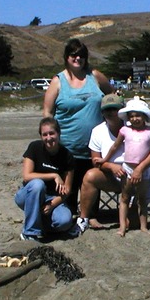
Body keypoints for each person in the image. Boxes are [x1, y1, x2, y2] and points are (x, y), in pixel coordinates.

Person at [42, 39, 114, 214]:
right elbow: (47, 112)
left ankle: (91, 216)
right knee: (69, 188)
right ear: (67, 57)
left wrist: (113, 118)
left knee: (92, 181)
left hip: (95, 147)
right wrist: (50, 138)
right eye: (74, 55)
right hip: (67, 145)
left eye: (82, 55)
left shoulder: (95, 76)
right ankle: (68, 215)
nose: (78, 58)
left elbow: (113, 96)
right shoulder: (58, 81)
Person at [100, 98, 150, 236]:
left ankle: (143, 226)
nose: (135, 119)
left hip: (144, 170)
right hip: (127, 168)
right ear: (128, 117)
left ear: (145, 116)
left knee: (142, 199)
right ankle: (122, 227)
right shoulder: (125, 130)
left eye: (138, 115)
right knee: (125, 197)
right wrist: (105, 160)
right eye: (132, 116)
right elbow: (115, 146)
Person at [14, 117, 76, 241]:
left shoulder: (67, 156)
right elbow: (27, 176)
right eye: (45, 134)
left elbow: (67, 190)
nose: (49, 138)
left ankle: (40, 223)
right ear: (41, 136)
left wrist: (52, 205)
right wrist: (54, 175)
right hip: (29, 193)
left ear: (58, 133)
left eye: (52, 133)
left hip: (52, 197)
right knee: (38, 184)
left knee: (64, 222)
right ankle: (29, 233)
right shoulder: (34, 147)